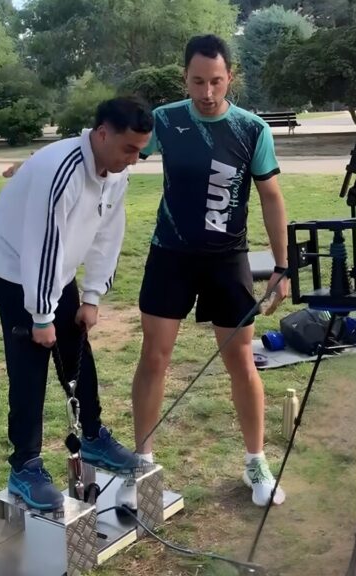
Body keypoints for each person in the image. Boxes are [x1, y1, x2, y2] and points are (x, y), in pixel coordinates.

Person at [119, 34, 291, 509]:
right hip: (169, 254)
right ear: (185, 78)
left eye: (216, 81)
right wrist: (47, 166)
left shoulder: (251, 129)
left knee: (241, 361)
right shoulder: (165, 121)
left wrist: (281, 265)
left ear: (230, 77)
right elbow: (114, 150)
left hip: (227, 258)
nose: (208, 92)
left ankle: (256, 461)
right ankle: (143, 463)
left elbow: (271, 197)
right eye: (198, 81)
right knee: (154, 357)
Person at [0, 97, 154, 511]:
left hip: (53, 263)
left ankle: (92, 437)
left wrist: (91, 297)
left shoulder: (116, 171)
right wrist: (40, 316)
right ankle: (24, 466)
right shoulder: (61, 170)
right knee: (31, 357)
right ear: (102, 133)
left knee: (76, 341)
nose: (135, 157)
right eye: (129, 148)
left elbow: (110, 232)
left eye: (141, 149)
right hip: (12, 260)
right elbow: (40, 245)